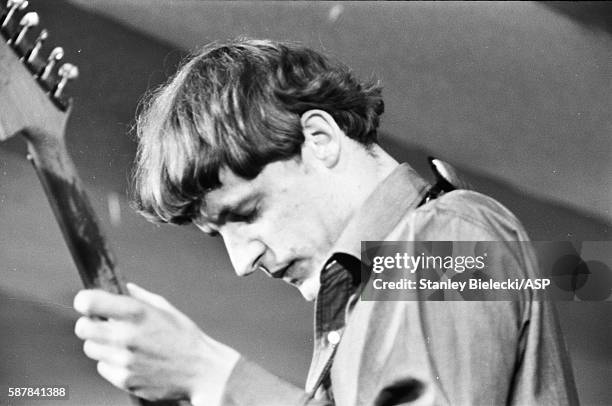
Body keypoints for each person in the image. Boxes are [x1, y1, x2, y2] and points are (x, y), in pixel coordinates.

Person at [73, 38, 578, 405]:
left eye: (246, 213)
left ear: (319, 138)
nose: (242, 260)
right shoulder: (375, 293)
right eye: (217, 235)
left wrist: (214, 377)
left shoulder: (447, 234)